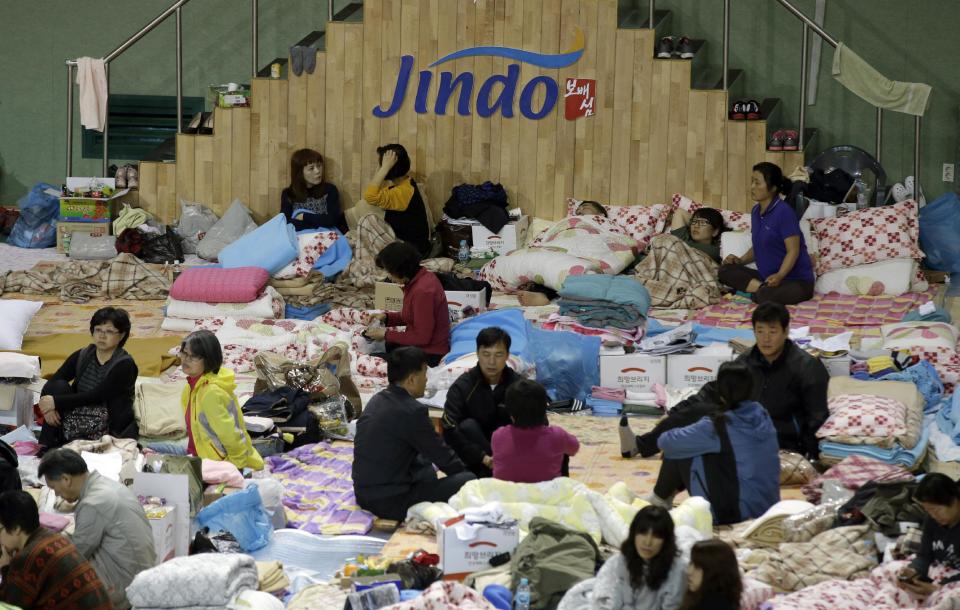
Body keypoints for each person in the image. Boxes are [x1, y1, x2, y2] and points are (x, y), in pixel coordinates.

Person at [620, 301, 829, 461]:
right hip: (745, 428)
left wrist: (811, 457)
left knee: (692, 451)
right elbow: (715, 391)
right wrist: (677, 414)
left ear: (785, 332)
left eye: (772, 332)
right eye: (760, 332)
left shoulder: (806, 367)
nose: (766, 339)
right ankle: (639, 445)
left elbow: (817, 417)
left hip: (783, 439)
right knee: (698, 411)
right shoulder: (748, 360)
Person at [353, 347, 476, 521]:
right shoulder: (413, 411)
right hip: (390, 502)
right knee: (466, 480)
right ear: (411, 379)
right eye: (424, 373)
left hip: (364, 493)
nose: (426, 379)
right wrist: (469, 480)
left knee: (425, 464)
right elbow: (443, 457)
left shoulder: (378, 398)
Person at [651, 362, 780, 524]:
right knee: (690, 443)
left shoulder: (718, 426)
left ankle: (658, 500)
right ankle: (659, 499)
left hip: (737, 514)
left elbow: (664, 442)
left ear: (719, 390)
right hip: (768, 508)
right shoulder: (761, 413)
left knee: (680, 448)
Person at [38, 448, 155, 610]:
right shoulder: (109, 485)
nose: (57, 494)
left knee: (57, 577)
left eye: (54, 488)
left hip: (127, 587)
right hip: (142, 574)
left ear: (66, 479)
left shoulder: (92, 503)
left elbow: (77, 555)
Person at [38, 307, 139, 450]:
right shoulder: (83, 354)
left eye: (109, 331)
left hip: (107, 420)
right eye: (98, 330)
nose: (102, 336)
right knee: (58, 386)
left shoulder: (124, 364)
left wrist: (55, 402)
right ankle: (46, 447)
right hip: (77, 414)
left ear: (122, 335)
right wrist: (48, 409)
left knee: (54, 399)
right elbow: (54, 380)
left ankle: (61, 445)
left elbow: (97, 395)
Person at [719, 162, 815, 305]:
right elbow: (759, 245)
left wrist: (780, 275)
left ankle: (757, 291)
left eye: (757, 183)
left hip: (796, 281)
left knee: (765, 296)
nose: (752, 187)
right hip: (767, 278)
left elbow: (793, 251)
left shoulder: (784, 212)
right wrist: (740, 261)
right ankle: (759, 289)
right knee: (724, 271)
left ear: (773, 188)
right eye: (752, 182)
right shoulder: (756, 211)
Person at [0, 490, 113, 610]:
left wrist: (5, 567)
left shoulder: (27, 557)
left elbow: (9, 605)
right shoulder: (51, 536)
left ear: (16, 528)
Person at [441, 327, 521, 477]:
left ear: (507, 356)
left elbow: (539, 423)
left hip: (510, 455)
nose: (492, 362)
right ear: (477, 354)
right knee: (467, 426)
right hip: (476, 457)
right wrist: (481, 457)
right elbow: (449, 428)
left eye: (498, 355)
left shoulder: (518, 386)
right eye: (486, 354)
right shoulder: (463, 386)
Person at [179, 330, 264, 471]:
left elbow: (231, 436)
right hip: (199, 453)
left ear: (208, 359)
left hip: (218, 463)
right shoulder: (192, 386)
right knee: (148, 450)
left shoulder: (211, 393)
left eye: (193, 356)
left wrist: (234, 468)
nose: (186, 359)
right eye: (184, 353)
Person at [365, 241, 450, 367]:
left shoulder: (423, 291)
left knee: (370, 359)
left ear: (401, 270)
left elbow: (422, 337)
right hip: (419, 347)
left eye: (390, 272)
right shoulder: (418, 281)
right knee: (377, 345)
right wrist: (386, 317)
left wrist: (386, 334)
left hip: (429, 354)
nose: (390, 277)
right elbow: (413, 317)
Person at [516, 200, 611, 307]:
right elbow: (550, 235)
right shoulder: (567, 222)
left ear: (601, 215)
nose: (580, 210)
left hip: (590, 248)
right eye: (578, 209)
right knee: (550, 262)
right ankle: (541, 294)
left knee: (574, 267)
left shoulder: (608, 225)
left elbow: (617, 241)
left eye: (585, 207)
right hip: (564, 245)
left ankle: (544, 293)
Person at [590, 506, 687, 610]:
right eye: (643, 533)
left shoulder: (677, 570)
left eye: (656, 536)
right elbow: (613, 595)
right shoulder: (623, 559)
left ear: (666, 540)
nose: (648, 542)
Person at [491, 379, 580, 483]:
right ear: (544, 408)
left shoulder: (498, 435)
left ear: (509, 411)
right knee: (563, 451)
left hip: (507, 496)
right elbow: (574, 448)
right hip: (546, 496)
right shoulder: (557, 435)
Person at [897, 473, 960, 597]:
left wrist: (938, 588)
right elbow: (924, 555)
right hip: (940, 572)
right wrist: (913, 570)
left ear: (954, 501)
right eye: (928, 511)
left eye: (936, 510)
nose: (933, 516)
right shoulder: (932, 520)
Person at [362, 143, 431, 256]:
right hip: (406, 245)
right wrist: (383, 168)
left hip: (411, 251)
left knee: (367, 220)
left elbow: (370, 196)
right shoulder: (405, 184)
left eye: (383, 164)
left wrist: (385, 168)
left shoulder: (403, 192)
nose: (380, 167)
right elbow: (375, 193)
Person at [281, 148, 346, 232]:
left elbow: (332, 220)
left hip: (325, 237)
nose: (318, 171)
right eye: (311, 168)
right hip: (300, 239)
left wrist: (304, 216)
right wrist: (319, 221)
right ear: (299, 172)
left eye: (319, 166)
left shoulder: (330, 190)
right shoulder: (288, 194)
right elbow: (286, 224)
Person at [678, 540, 743, 610]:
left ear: (715, 572)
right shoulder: (695, 598)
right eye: (691, 563)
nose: (689, 571)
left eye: (697, 567)